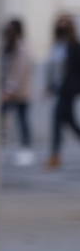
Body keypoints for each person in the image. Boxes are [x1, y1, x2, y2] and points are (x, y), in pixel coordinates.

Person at [46, 14, 80, 169]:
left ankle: (55, 156)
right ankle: (55, 156)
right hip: (59, 88)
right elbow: (52, 67)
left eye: (65, 24)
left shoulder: (74, 46)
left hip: (69, 90)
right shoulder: (56, 45)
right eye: (60, 24)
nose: (62, 27)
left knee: (57, 120)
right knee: (69, 122)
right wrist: (49, 85)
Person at [1, 18, 34, 161]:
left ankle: (26, 148)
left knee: (22, 120)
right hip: (9, 91)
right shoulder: (7, 47)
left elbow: (18, 71)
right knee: (2, 118)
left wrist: (9, 90)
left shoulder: (22, 48)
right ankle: (2, 144)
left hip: (19, 92)